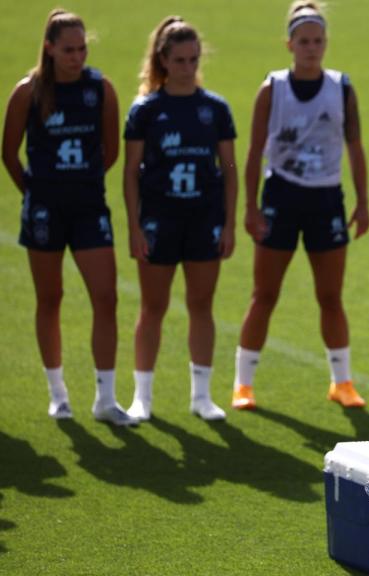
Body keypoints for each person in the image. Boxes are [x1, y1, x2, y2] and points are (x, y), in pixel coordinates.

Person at [232, 0, 369, 410]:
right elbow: (255, 150)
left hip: (326, 197)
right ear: (289, 44)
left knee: (330, 295)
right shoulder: (272, 88)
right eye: (304, 41)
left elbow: (356, 147)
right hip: (282, 195)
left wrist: (362, 203)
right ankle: (243, 384)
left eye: (318, 41)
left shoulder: (341, 88)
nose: (312, 48)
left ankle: (342, 381)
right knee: (265, 293)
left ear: (325, 43)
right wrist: (251, 207)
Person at [2, 9, 127, 424]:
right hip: (44, 211)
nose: (77, 57)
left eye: (82, 49)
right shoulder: (29, 91)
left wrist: (79, 182)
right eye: (69, 50)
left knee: (106, 298)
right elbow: (9, 152)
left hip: (89, 207)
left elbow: (111, 150)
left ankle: (105, 399)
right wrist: (36, 192)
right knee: (49, 298)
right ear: (50, 49)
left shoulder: (100, 89)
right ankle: (58, 393)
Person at [123, 16, 238, 422]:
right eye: (181, 60)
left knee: (201, 304)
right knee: (152, 306)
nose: (188, 67)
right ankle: (143, 397)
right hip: (159, 221)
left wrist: (228, 223)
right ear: (164, 60)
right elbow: (130, 173)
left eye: (194, 59)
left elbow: (228, 167)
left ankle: (201, 396)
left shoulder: (215, 109)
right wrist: (134, 227)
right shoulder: (146, 111)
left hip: (204, 218)